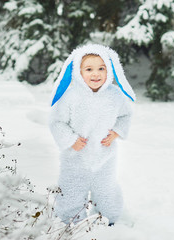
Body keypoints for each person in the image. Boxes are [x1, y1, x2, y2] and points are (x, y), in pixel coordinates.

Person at [49, 44, 135, 226]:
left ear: (110, 70)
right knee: (71, 189)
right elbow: (56, 122)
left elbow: (126, 115)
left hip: (105, 156)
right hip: (75, 158)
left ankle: (107, 219)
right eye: (89, 69)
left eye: (101, 69)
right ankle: (70, 221)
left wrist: (117, 132)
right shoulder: (70, 96)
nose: (96, 74)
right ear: (78, 72)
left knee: (106, 190)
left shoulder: (115, 96)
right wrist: (71, 139)